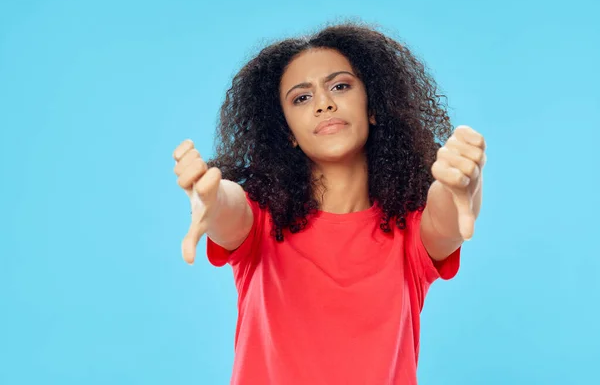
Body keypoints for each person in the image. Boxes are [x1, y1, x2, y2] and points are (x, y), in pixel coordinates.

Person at [172, 22, 486, 385]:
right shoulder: (259, 223)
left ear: (373, 107)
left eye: (340, 86)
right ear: (287, 131)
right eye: (301, 97)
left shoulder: (411, 233)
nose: (324, 103)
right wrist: (209, 196)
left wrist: (464, 184)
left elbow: (446, 216)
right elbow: (229, 209)